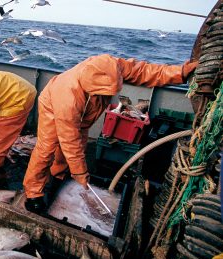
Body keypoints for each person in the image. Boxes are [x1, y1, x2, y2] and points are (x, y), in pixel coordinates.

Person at [23, 54, 198, 212]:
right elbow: (69, 139)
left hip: (85, 113)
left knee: (77, 147)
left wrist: (180, 73)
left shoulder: (113, 66)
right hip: (53, 107)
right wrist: (80, 172)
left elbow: (145, 71)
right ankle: (33, 192)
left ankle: (58, 175)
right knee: (47, 148)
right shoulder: (67, 97)